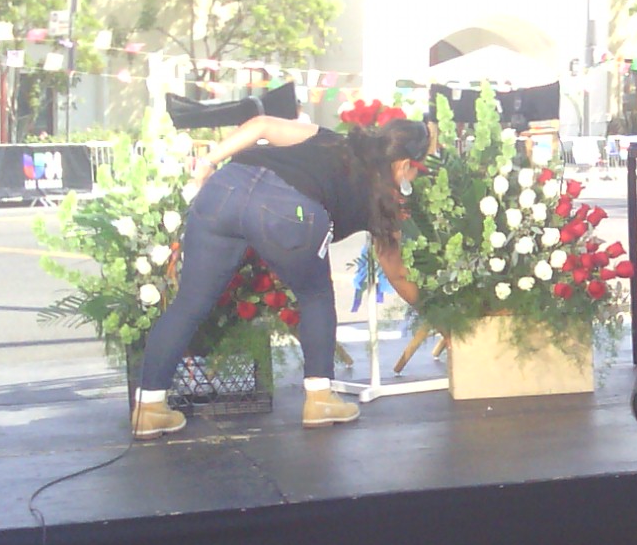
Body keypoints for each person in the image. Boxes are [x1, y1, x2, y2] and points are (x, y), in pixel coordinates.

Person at [132, 110, 430, 438]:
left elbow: (261, 124)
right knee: (315, 295)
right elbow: (398, 276)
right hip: (287, 209)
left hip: (223, 188)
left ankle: (149, 407)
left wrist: (206, 163)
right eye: (419, 172)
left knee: (188, 304)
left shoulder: (333, 140)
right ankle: (320, 399)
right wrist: (437, 317)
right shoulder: (383, 203)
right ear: (403, 166)